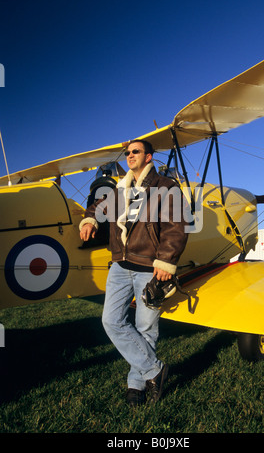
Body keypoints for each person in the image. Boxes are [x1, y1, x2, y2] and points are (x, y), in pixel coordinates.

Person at [79, 140, 188, 406]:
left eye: (135, 152)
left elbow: (176, 227)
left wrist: (165, 261)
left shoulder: (166, 187)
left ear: (148, 156)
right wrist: (90, 219)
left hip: (149, 267)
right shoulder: (120, 189)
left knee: (145, 328)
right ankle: (155, 371)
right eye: (127, 153)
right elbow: (98, 207)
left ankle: (136, 386)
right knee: (111, 321)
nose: (129, 156)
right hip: (119, 265)